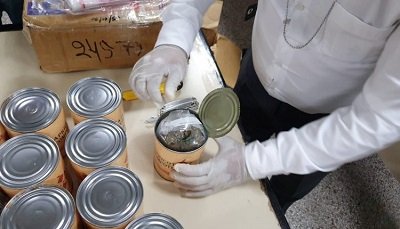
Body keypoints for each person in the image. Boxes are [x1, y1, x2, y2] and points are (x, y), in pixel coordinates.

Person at [129, 0, 400, 213]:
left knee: (275, 195)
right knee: (224, 145)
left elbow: (381, 120)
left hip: (328, 121)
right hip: (258, 71)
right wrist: (174, 40)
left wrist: (249, 164)